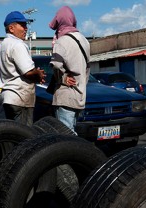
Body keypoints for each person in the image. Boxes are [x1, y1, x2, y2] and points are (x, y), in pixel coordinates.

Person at [0, 11, 46, 126]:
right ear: (11, 28)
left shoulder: (2, 45)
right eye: (22, 25)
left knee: (12, 135)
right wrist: (38, 74)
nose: (26, 29)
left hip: (7, 96)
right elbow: (28, 72)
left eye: (26, 25)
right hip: (19, 97)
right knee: (24, 137)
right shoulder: (17, 44)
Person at [49, 6, 90, 134]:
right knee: (71, 132)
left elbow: (56, 65)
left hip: (66, 95)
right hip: (80, 94)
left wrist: (63, 78)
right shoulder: (84, 40)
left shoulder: (61, 41)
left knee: (66, 136)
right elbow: (87, 68)